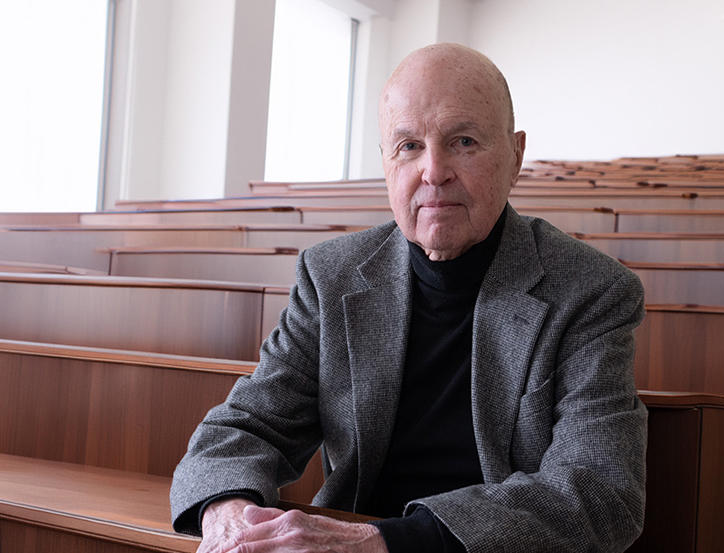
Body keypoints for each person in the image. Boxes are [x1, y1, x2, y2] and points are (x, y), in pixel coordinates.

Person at [170, 43, 647, 553]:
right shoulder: (331, 276)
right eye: (409, 146)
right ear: (386, 164)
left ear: (515, 156)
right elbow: (246, 427)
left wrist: (383, 542)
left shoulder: (592, 291)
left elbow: (599, 491)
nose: (434, 171)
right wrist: (227, 513)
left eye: (463, 141)